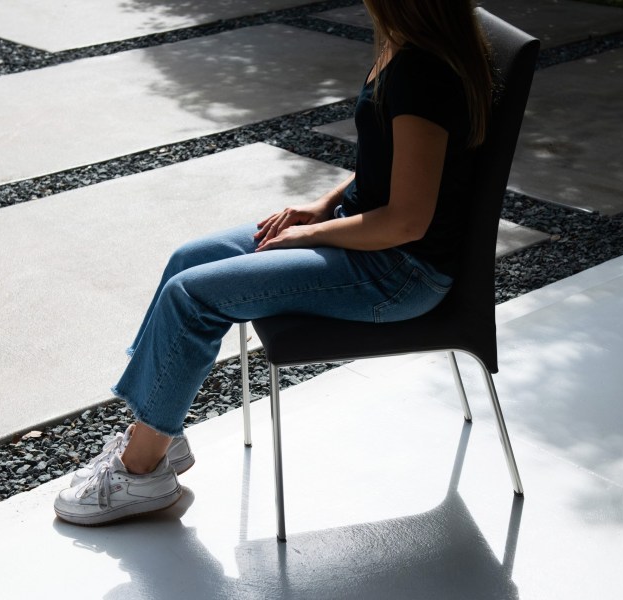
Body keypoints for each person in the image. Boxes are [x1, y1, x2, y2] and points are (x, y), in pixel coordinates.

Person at [54, 0, 494, 526]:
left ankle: (142, 472)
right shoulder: (408, 39)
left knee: (192, 296)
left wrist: (313, 233)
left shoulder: (422, 70)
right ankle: (158, 432)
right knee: (187, 261)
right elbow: (393, 166)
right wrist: (323, 205)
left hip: (398, 273)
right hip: (368, 241)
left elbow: (406, 221)